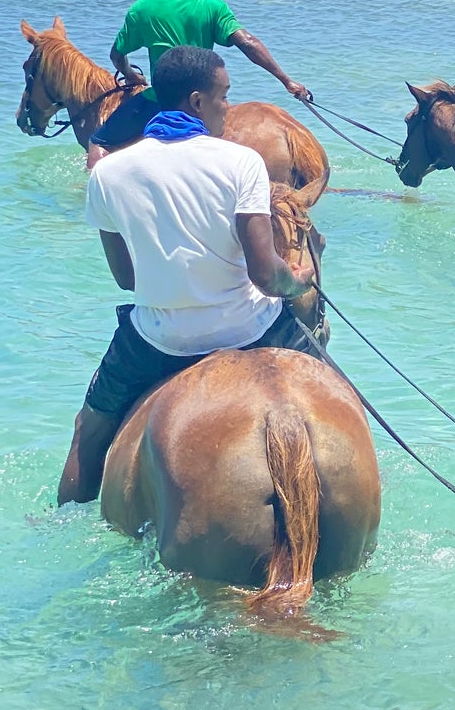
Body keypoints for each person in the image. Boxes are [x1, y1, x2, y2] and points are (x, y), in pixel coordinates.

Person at [58, 45, 320, 504]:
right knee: (331, 392)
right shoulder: (241, 163)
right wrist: (296, 280)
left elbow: (125, 278)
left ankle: (63, 521)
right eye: (224, 96)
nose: (227, 108)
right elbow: (265, 276)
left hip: (160, 340)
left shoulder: (107, 173)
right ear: (197, 102)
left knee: (90, 428)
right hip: (250, 328)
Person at [89, 0, 312, 160]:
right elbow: (248, 43)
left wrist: (130, 74)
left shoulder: (141, 9)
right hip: (208, 100)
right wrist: (287, 81)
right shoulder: (213, 6)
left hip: (162, 99)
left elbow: (116, 56)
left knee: (99, 142)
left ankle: (91, 191)